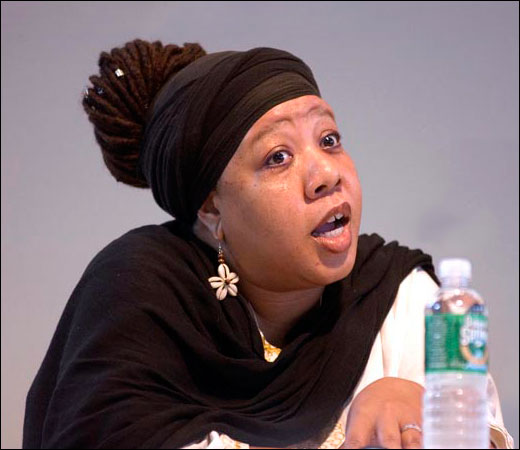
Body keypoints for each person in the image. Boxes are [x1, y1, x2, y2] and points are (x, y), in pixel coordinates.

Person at [22, 39, 513, 449]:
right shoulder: (140, 290)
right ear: (211, 208)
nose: (326, 174)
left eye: (329, 140)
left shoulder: (397, 293)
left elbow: (483, 433)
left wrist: (445, 426)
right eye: (278, 156)